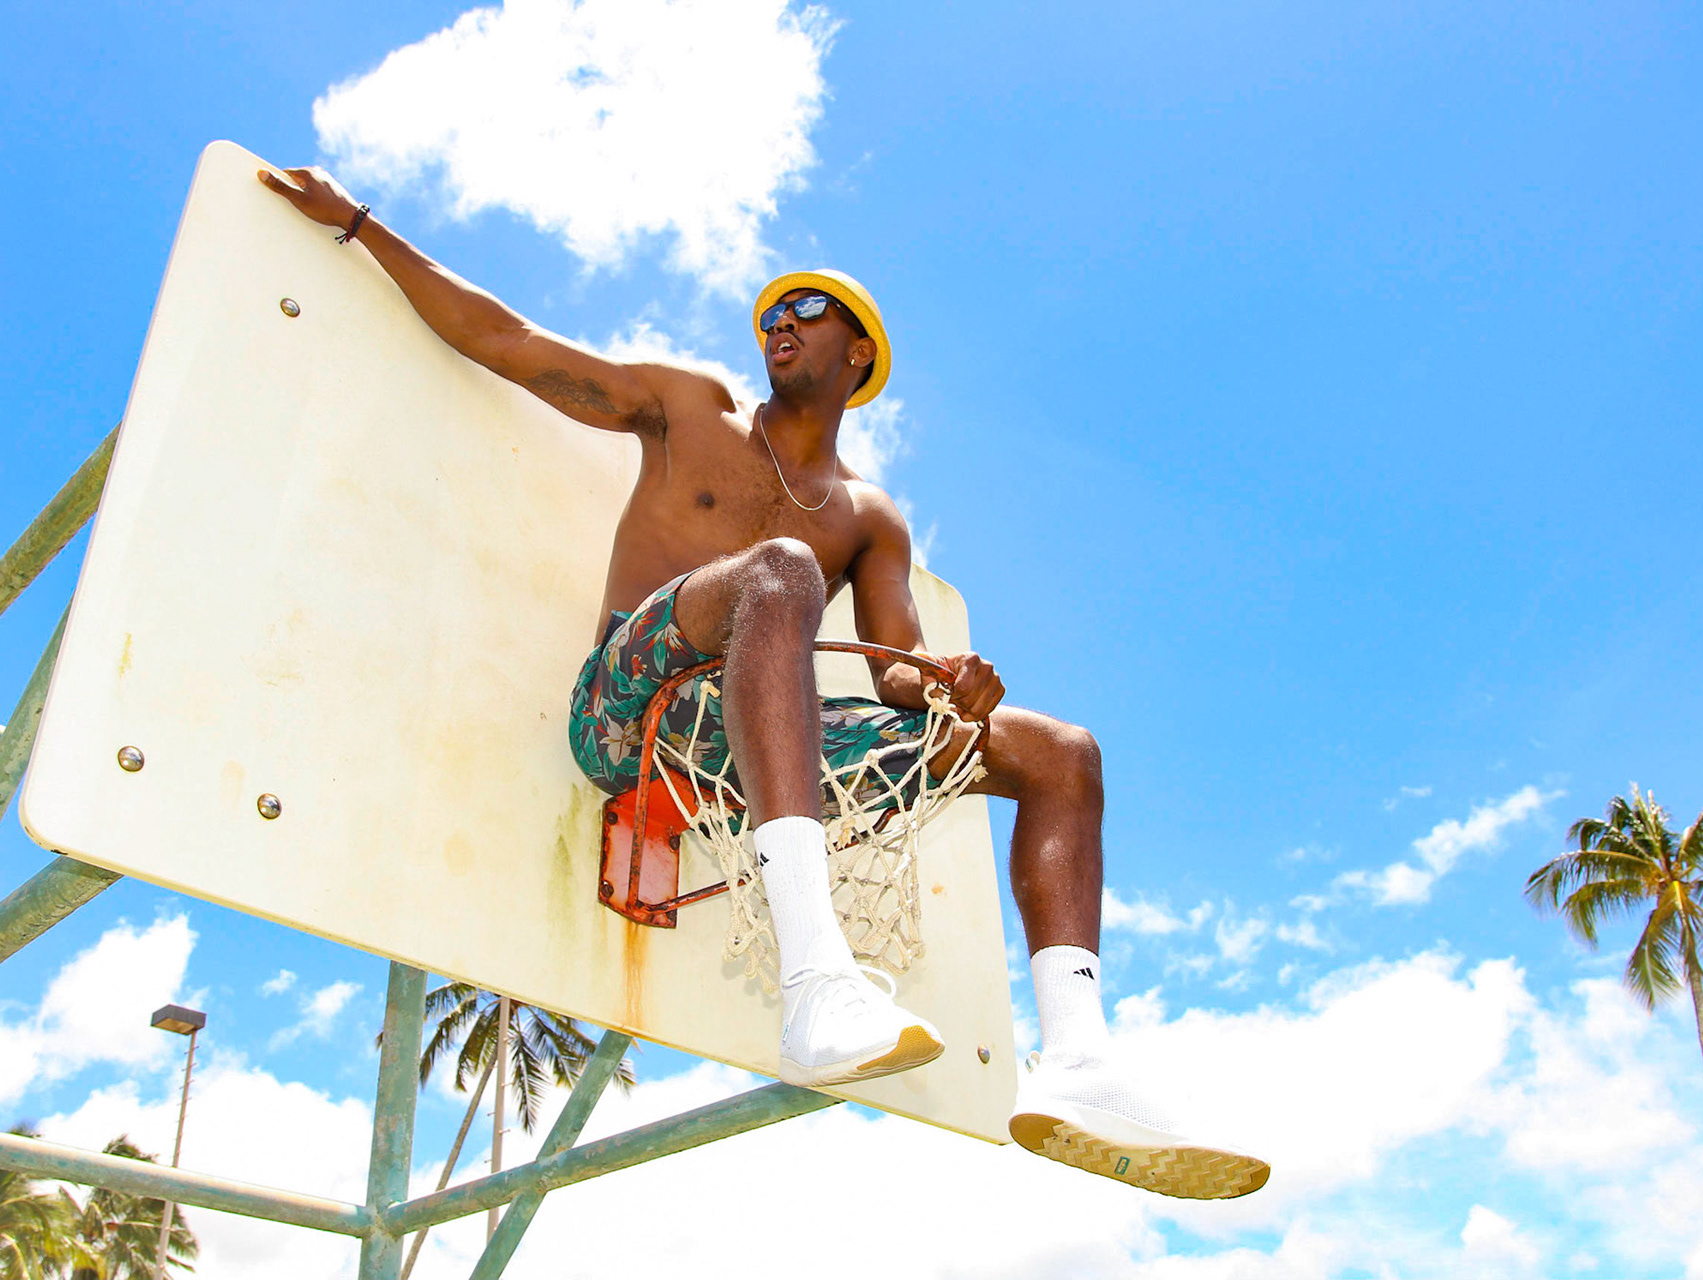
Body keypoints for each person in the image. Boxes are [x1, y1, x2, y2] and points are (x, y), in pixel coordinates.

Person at [259, 166, 1269, 1200]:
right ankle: (814, 978)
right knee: (781, 571)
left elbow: (896, 675)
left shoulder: (869, 517)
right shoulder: (688, 408)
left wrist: (952, 689)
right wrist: (360, 225)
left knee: (1061, 752)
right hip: (633, 710)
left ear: (859, 352)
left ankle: (1081, 1060)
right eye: (770, 313)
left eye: (806, 308)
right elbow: (505, 341)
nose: (778, 322)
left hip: (752, 747)